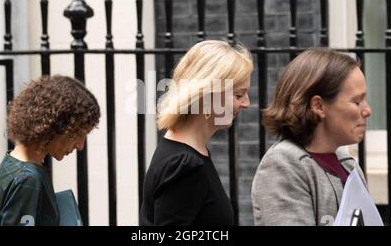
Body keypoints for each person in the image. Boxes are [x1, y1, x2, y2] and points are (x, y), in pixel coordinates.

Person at [251, 49, 372, 226]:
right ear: (318, 106)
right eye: (356, 101)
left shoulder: (348, 165)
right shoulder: (284, 164)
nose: (367, 110)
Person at [140, 40, 254, 225]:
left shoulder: (187, 153)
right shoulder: (183, 165)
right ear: (207, 95)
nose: (246, 103)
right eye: (239, 95)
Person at [0, 75, 100, 226]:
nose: (80, 145)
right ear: (55, 125)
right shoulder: (27, 179)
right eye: (77, 134)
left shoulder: (14, 164)